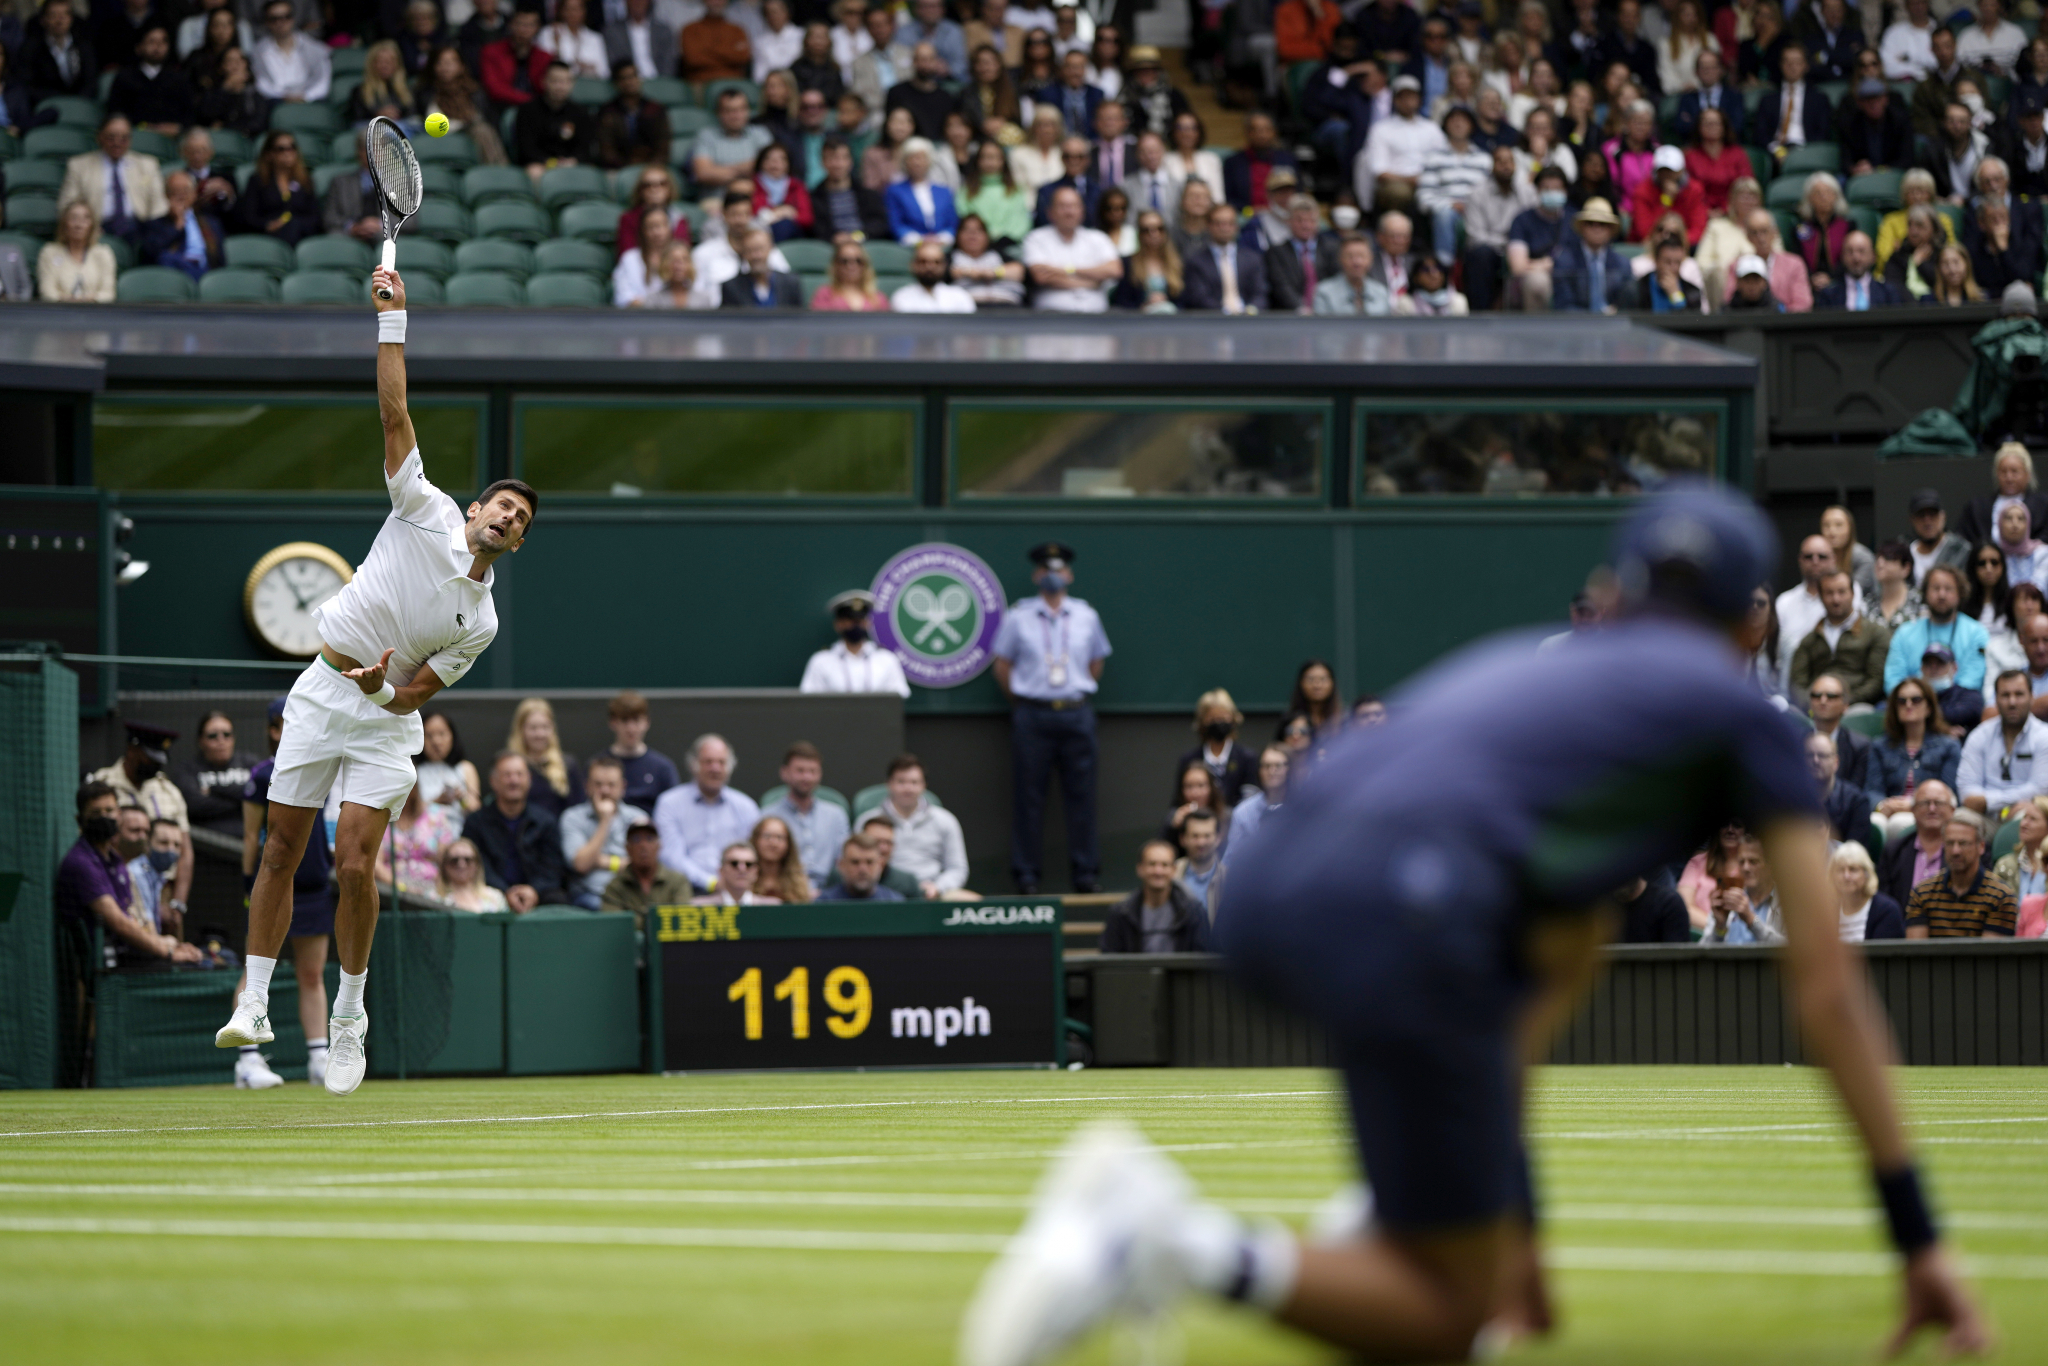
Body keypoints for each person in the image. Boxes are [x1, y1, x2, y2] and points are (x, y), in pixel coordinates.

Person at [962, 482, 1989, 1366]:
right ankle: (1163, 1237)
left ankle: (1386, 1217)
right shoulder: (1737, 722)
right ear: (1747, 626)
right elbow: (1825, 988)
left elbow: (1525, 1002)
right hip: (1406, 906)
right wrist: (1919, 1237)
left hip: (1270, 893)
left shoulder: (1526, 676)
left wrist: (1520, 1236)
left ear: (1615, 595)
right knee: (1447, 1317)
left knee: (1457, 1252)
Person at [211, 264, 535, 1098]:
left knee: (355, 864)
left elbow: (419, 692)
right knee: (281, 849)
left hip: (385, 719)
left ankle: (350, 1014)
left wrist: (382, 691)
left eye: (520, 520)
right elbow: (395, 412)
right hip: (321, 691)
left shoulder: (482, 622)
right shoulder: (423, 505)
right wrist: (393, 319)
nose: (507, 516)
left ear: (515, 544)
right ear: (475, 511)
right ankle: (256, 1002)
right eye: (501, 505)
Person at [992, 541, 1111, 894]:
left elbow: (1096, 662)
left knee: (1082, 797)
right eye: (1046, 569)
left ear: (1069, 575)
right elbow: (1002, 664)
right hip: (1033, 715)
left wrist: (1074, 692)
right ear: (1036, 575)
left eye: (1059, 569)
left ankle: (1085, 873)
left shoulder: (1087, 616)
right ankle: (1027, 875)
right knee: (1028, 798)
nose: (1053, 576)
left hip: (1076, 713)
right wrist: (1024, 700)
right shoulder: (1019, 616)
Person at [59, 784, 200, 975]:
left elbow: (129, 916)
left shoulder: (115, 860)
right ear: (80, 820)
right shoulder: (81, 863)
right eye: (96, 813)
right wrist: (167, 953)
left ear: (118, 814)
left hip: (131, 955)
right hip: (105, 967)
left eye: (109, 810)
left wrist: (168, 945)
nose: (104, 817)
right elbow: (119, 923)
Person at [462, 752, 571, 912]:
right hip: (489, 892)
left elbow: (553, 867)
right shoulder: (476, 822)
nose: (514, 781)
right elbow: (477, 865)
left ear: (529, 779)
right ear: (493, 781)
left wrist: (533, 891)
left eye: (519, 774)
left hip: (539, 894)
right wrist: (505, 891)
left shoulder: (545, 821)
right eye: (507, 775)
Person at [653, 733, 760, 892]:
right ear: (694, 765)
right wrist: (711, 883)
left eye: (721, 762)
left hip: (736, 892)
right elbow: (671, 857)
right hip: (683, 891)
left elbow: (751, 856)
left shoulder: (746, 807)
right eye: (708, 762)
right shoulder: (669, 803)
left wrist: (730, 883)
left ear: (730, 767)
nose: (715, 768)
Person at [1866, 677, 1963, 845]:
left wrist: (1914, 805)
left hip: (1931, 811)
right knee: (1875, 822)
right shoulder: (1880, 746)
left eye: (1916, 699)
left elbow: (1950, 792)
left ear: (1929, 707)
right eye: (1902, 701)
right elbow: (1871, 790)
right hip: (1890, 810)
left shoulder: (1948, 746)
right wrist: (1882, 805)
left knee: (1899, 823)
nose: (1908, 705)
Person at [558, 754, 650, 911]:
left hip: (632, 894)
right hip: (590, 895)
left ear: (623, 787)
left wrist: (600, 861)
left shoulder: (638, 818)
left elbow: (645, 865)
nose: (605, 790)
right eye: (598, 784)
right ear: (587, 786)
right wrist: (605, 821)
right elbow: (581, 865)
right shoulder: (572, 817)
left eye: (611, 785)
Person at [1905, 812, 2017, 938]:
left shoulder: (2000, 896)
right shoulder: (1923, 892)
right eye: (1950, 843)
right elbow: (1916, 948)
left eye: (1963, 843)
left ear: (1981, 847)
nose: (1955, 851)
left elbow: (1991, 949)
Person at [1957, 670, 2048, 821]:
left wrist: (1988, 801)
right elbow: (1967, 791)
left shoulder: (2044, 736)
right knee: (1961, 818)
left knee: (2026, 816)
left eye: (2019, 694)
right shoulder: (1979, 735)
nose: (2012, 702)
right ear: (1995, 700)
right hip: (1985, 817)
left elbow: (2040, 788)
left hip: (2025, 814)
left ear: (2032, 697)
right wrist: (1996, 804)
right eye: (2005, 695)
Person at [1790, 569, 1890, 705]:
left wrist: (1842, 703)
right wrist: (1814, 704)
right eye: (1829, 593)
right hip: (1816, 706)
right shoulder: (1810, 640)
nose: (1836, 599)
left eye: (1841, 592)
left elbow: (1876, 681)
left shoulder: (1876, 633)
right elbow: (1797, 684)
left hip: (1857, 706)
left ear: (1853, 594)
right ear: (1820, 597)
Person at [1884, 564, 1986, 696]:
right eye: (1935, 588)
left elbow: (1972, 681)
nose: (1941, 595)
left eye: (1948, 589)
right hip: (1912, 702)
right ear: (1925, 593)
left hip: (1958, 702)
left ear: (1960, 594)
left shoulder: (1976, 633)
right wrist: (1919, 701)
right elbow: (1893, 681)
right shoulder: (1904, 633)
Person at [759, 741, 850, 887]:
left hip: (829, 891)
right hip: (784, 889)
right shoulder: (767, 816)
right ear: (784, 773)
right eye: (800, 771)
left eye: (813, 771)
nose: (807, 777)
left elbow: (845, 859)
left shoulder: (836, 815)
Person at [880, 753, 970, 897]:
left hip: (934, 893)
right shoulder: (869, 821)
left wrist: (938, 887)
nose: (908, 788)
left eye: (914, 782)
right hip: (884, 893)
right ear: (888, 783)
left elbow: (957, 868)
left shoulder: (946, 820)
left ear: (924, 785)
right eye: (901, 782)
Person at [1099, 840, 1213, 953]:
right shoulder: (1121, 914)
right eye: (1152, 864)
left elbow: (1202, 957)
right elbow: (1110, 956)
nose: (1158, 871)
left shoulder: (1193, 912)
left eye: (1165, 865)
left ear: (1174, 870)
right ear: (1140, 869)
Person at [1021, 185, 1120, 311]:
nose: (1069, 212)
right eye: (1063, 206)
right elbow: (1041, 276)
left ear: (1082, 211)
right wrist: (1093, 281)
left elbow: (1114, 270)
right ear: (1050, 212)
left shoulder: (1098, 238)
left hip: (1096, 315)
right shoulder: (1035, 238)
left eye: (1074, 206)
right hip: (1050, 316)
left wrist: (1064, 270)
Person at [170, 710, 258, 839]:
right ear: (201, 741)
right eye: (212, 736)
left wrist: (214, 790)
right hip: (206, 844)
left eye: (226, 734)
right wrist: (242, 801)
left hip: (250, 841)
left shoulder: (250, 763)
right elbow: (195, 806)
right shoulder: (188, 769)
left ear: (233, 738)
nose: (221, 741)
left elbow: (262, 795)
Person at [233, 130, 321, 247]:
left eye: (292, 148)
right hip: (269, 236)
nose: (288, 153)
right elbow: (250, 217)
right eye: (281, 149)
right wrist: (268, 225)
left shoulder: (306, 181)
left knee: (293, 226)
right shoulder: (258, 181)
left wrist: (294, 223)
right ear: (269, 154)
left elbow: (314, 217)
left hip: (301, 234)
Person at [1174, 688, 1259, 807]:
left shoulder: (1247, 758)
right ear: (1202, 722)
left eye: (1223, 718)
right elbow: (1178, 803)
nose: (1218, 722)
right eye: (1212, 718)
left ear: (1233, 719)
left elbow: (1251, 801)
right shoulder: (1189, 760)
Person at [1178, 201, 1265, 313]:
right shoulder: (1196, 261)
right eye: (1219, 223)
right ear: (1208, 225)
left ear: (1236, 226)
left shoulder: (1252, 259)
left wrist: (1250, 311)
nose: (1224, 228)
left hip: (1249, 318)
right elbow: (1199, 298)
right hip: (1213, 319)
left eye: (1230, 223)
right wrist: (1226, 313)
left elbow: (1260, 293)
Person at [503, 696, 581, 820]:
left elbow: (578, 808)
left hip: (558, 830)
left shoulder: (568, 764)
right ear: (521, 729)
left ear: (552, 729)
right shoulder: (509, 767)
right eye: (533, 728)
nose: (540, 734)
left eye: (545, 727)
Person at [1956, 442, 2048, 548]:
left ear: (2027, 474)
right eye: (2003, 472)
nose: (2009, 478)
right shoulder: (1977, 507)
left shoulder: (2043, 505)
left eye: (2014, 472)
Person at [598, 821, 688, 926]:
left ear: (659, 846)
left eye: (649, 838)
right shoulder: (615, 887)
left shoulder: (677, 881)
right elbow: (614, 925)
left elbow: (681, 920)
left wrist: (637, 922)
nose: (643, 845)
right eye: (636, 839)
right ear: (627, 848)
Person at [1548, 196, 1628, 312]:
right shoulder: (1564, 261)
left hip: (1614, 322)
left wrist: (1613, 314)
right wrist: (1594, 317)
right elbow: (1563, 306)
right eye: (1590, 223)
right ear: (1582, 227)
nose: (1596, 228)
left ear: (1611, 230)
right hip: (1577, 322)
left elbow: (1629, 306)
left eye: (1602, 224)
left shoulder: (1623, 264)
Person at [1990, 795, 2048, 935]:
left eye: (2032, 819)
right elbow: (1993, 906)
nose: (2023, 824)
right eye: (2024, 817)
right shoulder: (2005, 864)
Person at [1807, 669, 1874, 790]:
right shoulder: (1795, 742)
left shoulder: (1860, 746)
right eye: (1816, 695)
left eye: (1831, 696)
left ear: (1845, 705)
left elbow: (1856, 793)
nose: (1823, 701)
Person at [598, 63, 673, 170]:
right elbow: (606, 149)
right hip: (618, 170)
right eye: (624, 78)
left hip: (652, 168)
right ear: (616, 82)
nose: (630, 81)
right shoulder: (607, 112)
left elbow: (663, 146)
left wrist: (651, 168)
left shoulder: (655, 109)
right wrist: (626, 169)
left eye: (634, 76)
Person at [250, 0, 327, 103]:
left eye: (286, 17)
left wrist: (306, 97)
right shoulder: (258, 52)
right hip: (275, 103)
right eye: (274, 19)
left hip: (312, 102)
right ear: (266, 22)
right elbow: (261, 83)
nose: (280, 23)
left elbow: (323, 81)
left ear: (293, 19)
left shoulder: (315, 48)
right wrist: (284, 97)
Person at [1809, 729, 1873, 848]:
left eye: (1822, 756)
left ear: (1836, 762)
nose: (1815, 760)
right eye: (1809, 755)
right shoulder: (1791, 799)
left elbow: (1854, 853)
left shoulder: (1857, 802)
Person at [1224, 744, 1290, 855]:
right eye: (1266, 766)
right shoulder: (1243, 813)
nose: (1272, 771)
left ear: (1289, 768)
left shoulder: (1303, 806)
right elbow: (1232, 858)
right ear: (1259, 770)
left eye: (1278, 765)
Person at [482, 8, 552, 109]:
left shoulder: (544, 57)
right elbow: (495, 88)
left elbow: (547, 88)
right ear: (510, 25)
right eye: (520, 24)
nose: (524, 30)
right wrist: (529, 100)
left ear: (537, 28)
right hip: (501, 106)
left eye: (530, 25)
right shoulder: (491, 52)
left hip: (537, 110)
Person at [722, 224, 807, 306]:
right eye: (750, 251)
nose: (756, 256)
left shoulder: (791, 283)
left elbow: (799, 314)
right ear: (743, 254)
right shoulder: (731, 288)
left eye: (760, 249)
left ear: (770, 249)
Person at [415, 711, 481, 812]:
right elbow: (408, 813)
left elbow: (477, 810)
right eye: (429, 735)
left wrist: (461, 798)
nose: (436, 741)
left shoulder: (465, 768)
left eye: (442, 734)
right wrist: (436, 801)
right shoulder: (413, 770)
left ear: (452, 736)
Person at [815, 830, 905, 901]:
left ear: (880, 865)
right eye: (855, 862)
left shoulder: (895, 903)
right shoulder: (824, 904)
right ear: (841, 865)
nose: (863, 869)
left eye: (869, 862)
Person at [681, 0, 753, 86]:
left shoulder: (737, 31)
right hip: (701, 83)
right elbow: (693, 60)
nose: (716, 2)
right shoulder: (690, 30)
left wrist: (708, 50)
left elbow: (742, 57)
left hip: (733, 83)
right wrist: (729, 52)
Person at [750, 814, 814, 903]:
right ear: (756, 839)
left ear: (788, 844)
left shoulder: (799, 880)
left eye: (780, 837)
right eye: (767, 836)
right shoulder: (742, 873)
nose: (773, 843)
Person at [607, 0, 676, 81]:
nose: (637, 3)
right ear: (626, 2)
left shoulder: (663, 30)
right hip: (627, 82)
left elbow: (669, 62)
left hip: (658, 80)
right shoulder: (613, 31)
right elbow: (614, 62)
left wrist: (663, 81)